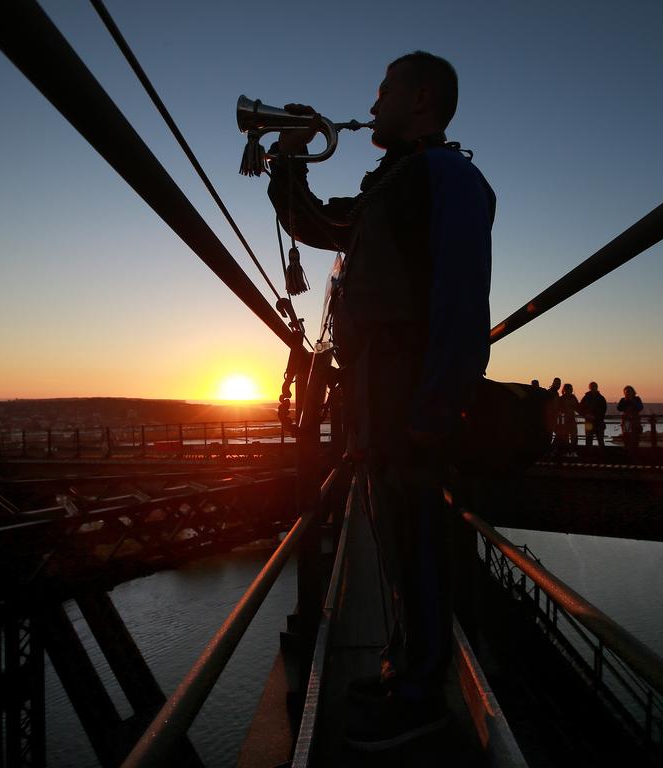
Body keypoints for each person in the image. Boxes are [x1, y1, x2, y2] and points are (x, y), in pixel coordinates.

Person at [267, 51, 494, 749]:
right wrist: (287, 160)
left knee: (417, 540)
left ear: (419, 98)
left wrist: (433, 410)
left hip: (407, 397)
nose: (372, 100)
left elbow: (462, 304)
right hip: (380, 398)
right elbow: (314, 224)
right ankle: (406, 669)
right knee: (397, 540)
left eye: (384, 88)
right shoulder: (396, 184)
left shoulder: (448, 177)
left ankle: (422, 695)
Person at [578, 381, 607, 449]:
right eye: (592, 387)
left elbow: (603, 410)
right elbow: (580, 409)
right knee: (590, 439)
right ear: (590, 388)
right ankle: (591, 456)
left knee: (599, 440)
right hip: (592, 421)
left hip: (596, 422)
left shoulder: (599, 398)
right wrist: (586, 415)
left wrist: (587, 415)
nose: (593, 388)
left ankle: (598, 455)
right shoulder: (600, 398)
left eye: (594, 387)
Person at [617, 385, 644, 455]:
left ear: (633, 392)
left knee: (635, 439)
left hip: (635, 423)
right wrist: (625, 401)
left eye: (629, 391)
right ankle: (628, 454)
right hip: (626, 423)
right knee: (626, 439)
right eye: (626, 392)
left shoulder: (637, 399)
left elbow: (640, 407)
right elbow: (619, 408)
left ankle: (634, 454)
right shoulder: (623, 400)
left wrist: (632, 401)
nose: (628, 393)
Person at [558, 383, 579, 454]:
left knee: (570, 437)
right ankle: (571, 451)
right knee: (571, 437)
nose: (570, 390)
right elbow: (578, 407)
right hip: (568, 420)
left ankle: (570, 451)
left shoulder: (562, 398)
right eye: (570, 389)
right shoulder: (572, 398)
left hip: (567, 420)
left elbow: (578, 407)